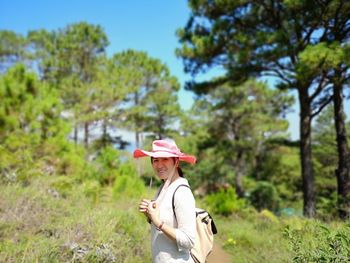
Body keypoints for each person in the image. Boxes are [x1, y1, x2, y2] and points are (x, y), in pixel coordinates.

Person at [134, 139, 197, 263]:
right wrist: (150, 215)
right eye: (156, 160)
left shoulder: (181, 191)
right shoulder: (163, 188)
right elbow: (167, 221)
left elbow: (189, 240)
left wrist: (157, 222)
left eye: (165, 159)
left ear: (176, 161)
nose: (159, 165)